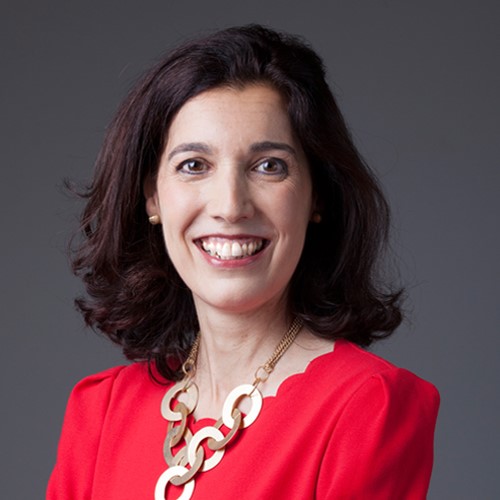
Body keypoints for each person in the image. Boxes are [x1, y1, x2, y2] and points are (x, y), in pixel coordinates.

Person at [47, 25, 439, 500]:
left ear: (317, 195)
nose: (231, 207)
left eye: (269, 165)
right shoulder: (102, 410)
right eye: (194, 165)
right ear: (153, 196)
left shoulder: (365, 407)